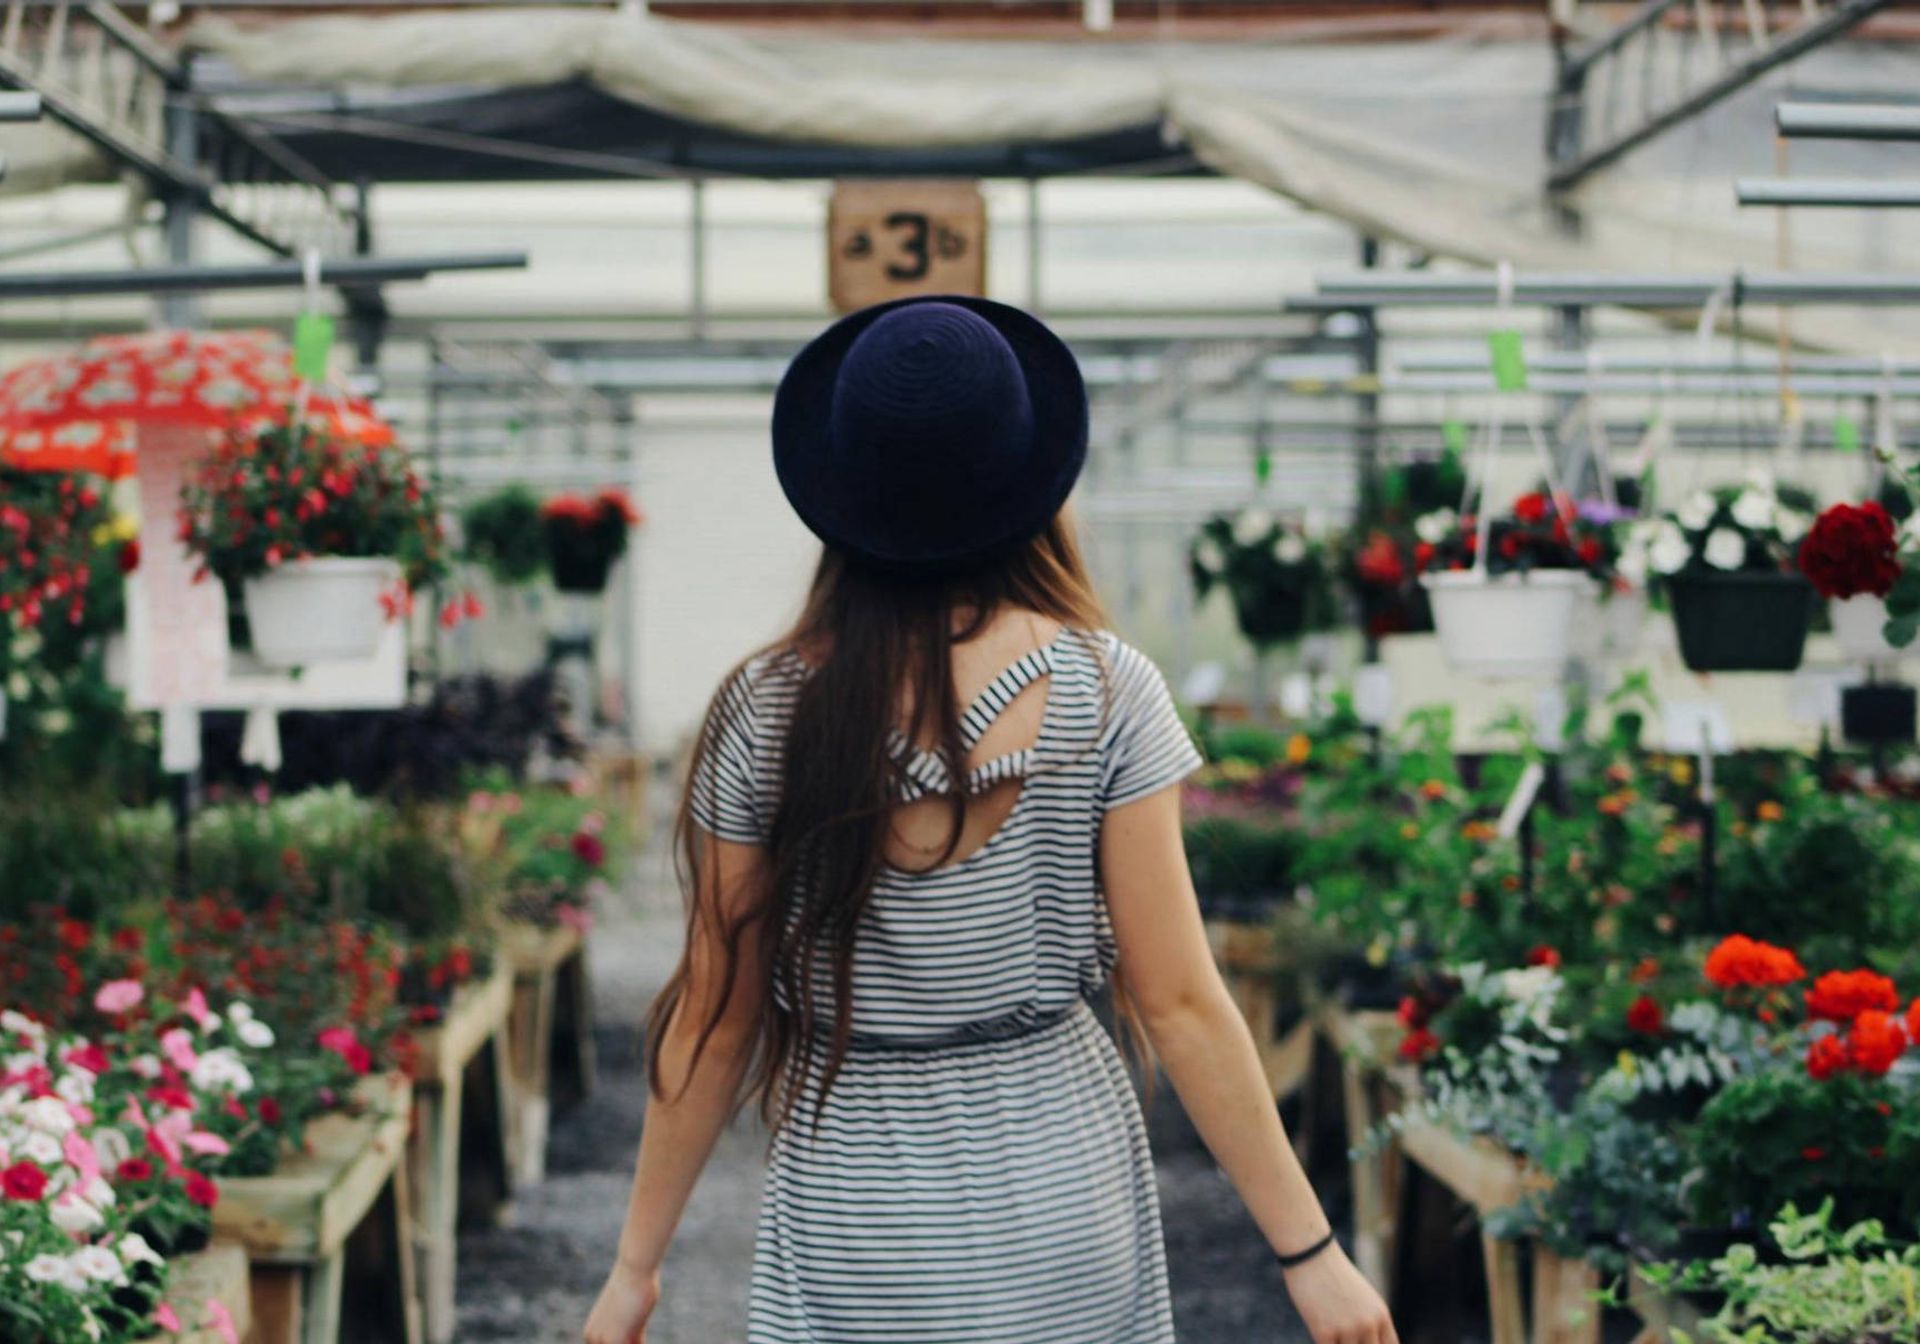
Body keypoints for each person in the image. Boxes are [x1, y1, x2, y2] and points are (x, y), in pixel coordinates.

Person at [585, 296, 1397, 1344]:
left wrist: (635, 1271)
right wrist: (1310, 1254)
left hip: (853, 1202)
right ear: (1029, 483)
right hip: (1062, 1188)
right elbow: (1183, 1003)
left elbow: (714, 1014)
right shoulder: (1107, 692)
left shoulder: (766, 709)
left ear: (843, 488)